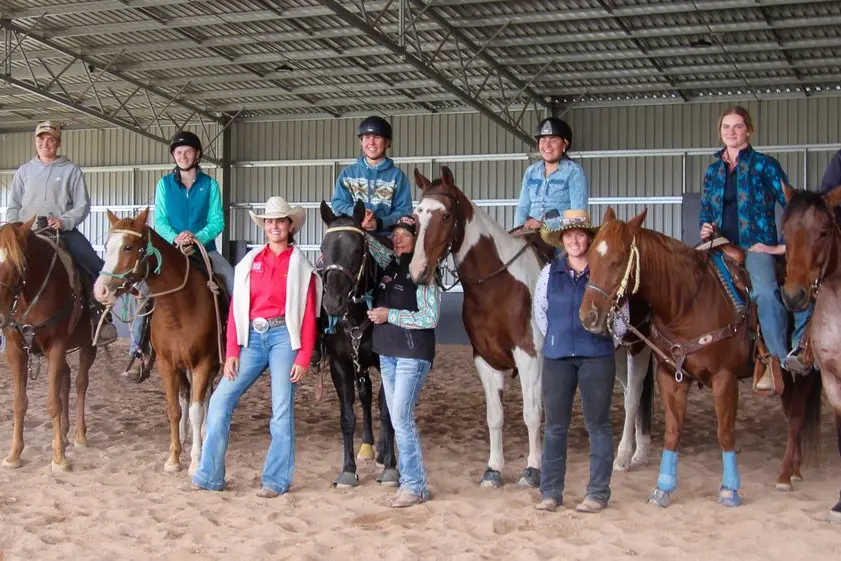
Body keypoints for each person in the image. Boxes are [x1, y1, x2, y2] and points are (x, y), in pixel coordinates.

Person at [191, 196, 320, 498]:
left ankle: (275, 480)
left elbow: (308, 314)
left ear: (290, 226)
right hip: (252, 337)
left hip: (284, 339)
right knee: (221, 400)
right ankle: (210, 474)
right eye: (270, 222)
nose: (274, 226)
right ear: (265, 227)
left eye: (280, 221)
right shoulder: (249, 263)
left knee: (281, 409)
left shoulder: (301, 265)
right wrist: (233, 351)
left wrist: (303, 355)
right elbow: (237, 308)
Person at [699, 105, 812, 393]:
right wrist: (705, 227)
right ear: (720, 132)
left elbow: (794, 209)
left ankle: (780, 359)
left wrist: (780, 248)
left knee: (765, 293)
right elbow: (705, 211)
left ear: (748, 130)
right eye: (726, 127)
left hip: (755, 247)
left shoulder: (765, 165)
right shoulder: (712, 172)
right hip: (719, 245)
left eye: (738, 126)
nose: (732, 132)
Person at [126, 131, 235, 379]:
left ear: (196, 155)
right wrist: (176, 237)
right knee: (144, 291)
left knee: (232, 280)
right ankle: (138, 350)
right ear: (174, 156)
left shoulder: (210, 185)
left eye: (187, 152)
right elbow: (160, 220)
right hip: (172, 250)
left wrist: (196, 237)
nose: (183, 156)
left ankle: (232, 344)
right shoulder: (164, 185)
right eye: (178, 153)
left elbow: (217, 220)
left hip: (205, 249)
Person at [532, 209, 617, 513]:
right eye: (569, 236)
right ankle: (551, 491)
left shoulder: (603, 271)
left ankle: (597, 492)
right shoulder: (548, 274)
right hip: (557, 358)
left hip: (597, 357)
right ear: (561, 240)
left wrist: (605, 341)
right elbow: (540, 312)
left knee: (598, 425)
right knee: (555, 427)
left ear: (590, 238)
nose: (575, 240)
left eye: (580, 235)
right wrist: (557, 337)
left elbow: (622, 317)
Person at [6, 120, 117, 346]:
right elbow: (13, 205)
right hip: (28, 233)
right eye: (41, 139)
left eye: (51, 140)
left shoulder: (70, 170)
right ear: (35, 142)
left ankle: (101, 317)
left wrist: (64, 221)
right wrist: (16, 227)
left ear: (58, 143)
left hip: (62, 232)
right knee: (5, 265)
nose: (45, 143)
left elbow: (82, 205)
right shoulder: (24, 171)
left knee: (92, 261)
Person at [365, 215, 442, 508]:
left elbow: (430, 317)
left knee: (401, 418)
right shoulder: (390, 265)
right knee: (398, 419)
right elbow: (367, 244)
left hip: (412, 353)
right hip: (387, 353)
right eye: (395, 233)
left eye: (404, 234)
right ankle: (412, 481)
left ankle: (415, 485)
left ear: (416, 239)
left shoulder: (424, 270)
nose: (397, 238)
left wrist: (390, 316)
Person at [330, 115, 413, 235]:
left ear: (387, 143)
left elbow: (404, 210)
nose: (371, 143)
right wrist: (358, 213)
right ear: (361, 141)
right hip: (353, 234)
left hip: (385, 236)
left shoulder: (398, 177)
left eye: (377, 137)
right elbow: (338, 203)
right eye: (367, 137)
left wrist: (379, 223)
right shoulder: (348, 174)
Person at [514, 117, 589, 231]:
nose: (547, 145)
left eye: (553, 140)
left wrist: (545, 224)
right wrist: (517, 231)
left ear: (565, 144)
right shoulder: (531, 172)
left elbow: (578, 216)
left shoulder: (574, 172)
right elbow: (522, 208)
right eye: (543, 140)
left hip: (559, 233)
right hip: (531, 232)